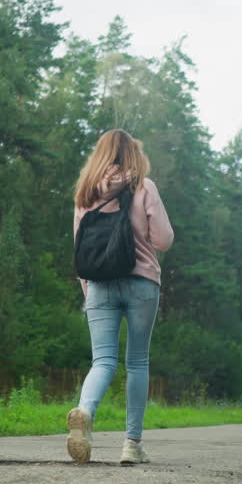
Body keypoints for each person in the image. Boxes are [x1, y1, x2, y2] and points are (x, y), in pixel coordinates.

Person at [68, 129, 174, 465]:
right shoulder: (144, 186)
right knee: (137, 362)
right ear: (132, 154)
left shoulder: (85, 194)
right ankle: (132, 445)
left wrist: (89, 291)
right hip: (141, 282)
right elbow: (163, 240)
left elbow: (79, 250)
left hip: (99, 285)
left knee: (103, 361)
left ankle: (85, 412)